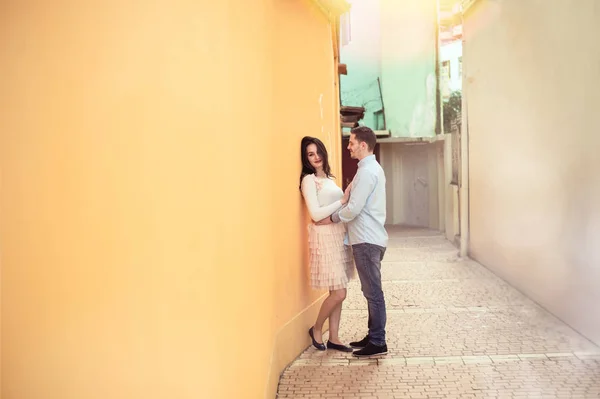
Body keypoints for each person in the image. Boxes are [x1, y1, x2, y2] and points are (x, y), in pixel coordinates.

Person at [324, 126, 389, 357]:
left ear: (363, 145)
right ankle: (373, 336)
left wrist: (332, 217)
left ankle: (378, 342)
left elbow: (353, 209)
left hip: (367, 240)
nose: (348, 146)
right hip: (369, 239)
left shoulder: (368, 172)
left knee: (373, 293)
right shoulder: (369, 169)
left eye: (351, 143)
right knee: (370, 290)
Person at [299, 136, 355, 352]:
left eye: (318, 152)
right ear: (306, 159)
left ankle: (334, 337)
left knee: (338, 290)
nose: (316, 157)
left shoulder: (330, 178)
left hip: (338, 235)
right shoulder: (308, 180)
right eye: (310, 154)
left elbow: (334, 211)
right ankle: (316, 328)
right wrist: (342, 201)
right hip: (324, 239)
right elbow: (315, 213)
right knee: (339, 293)